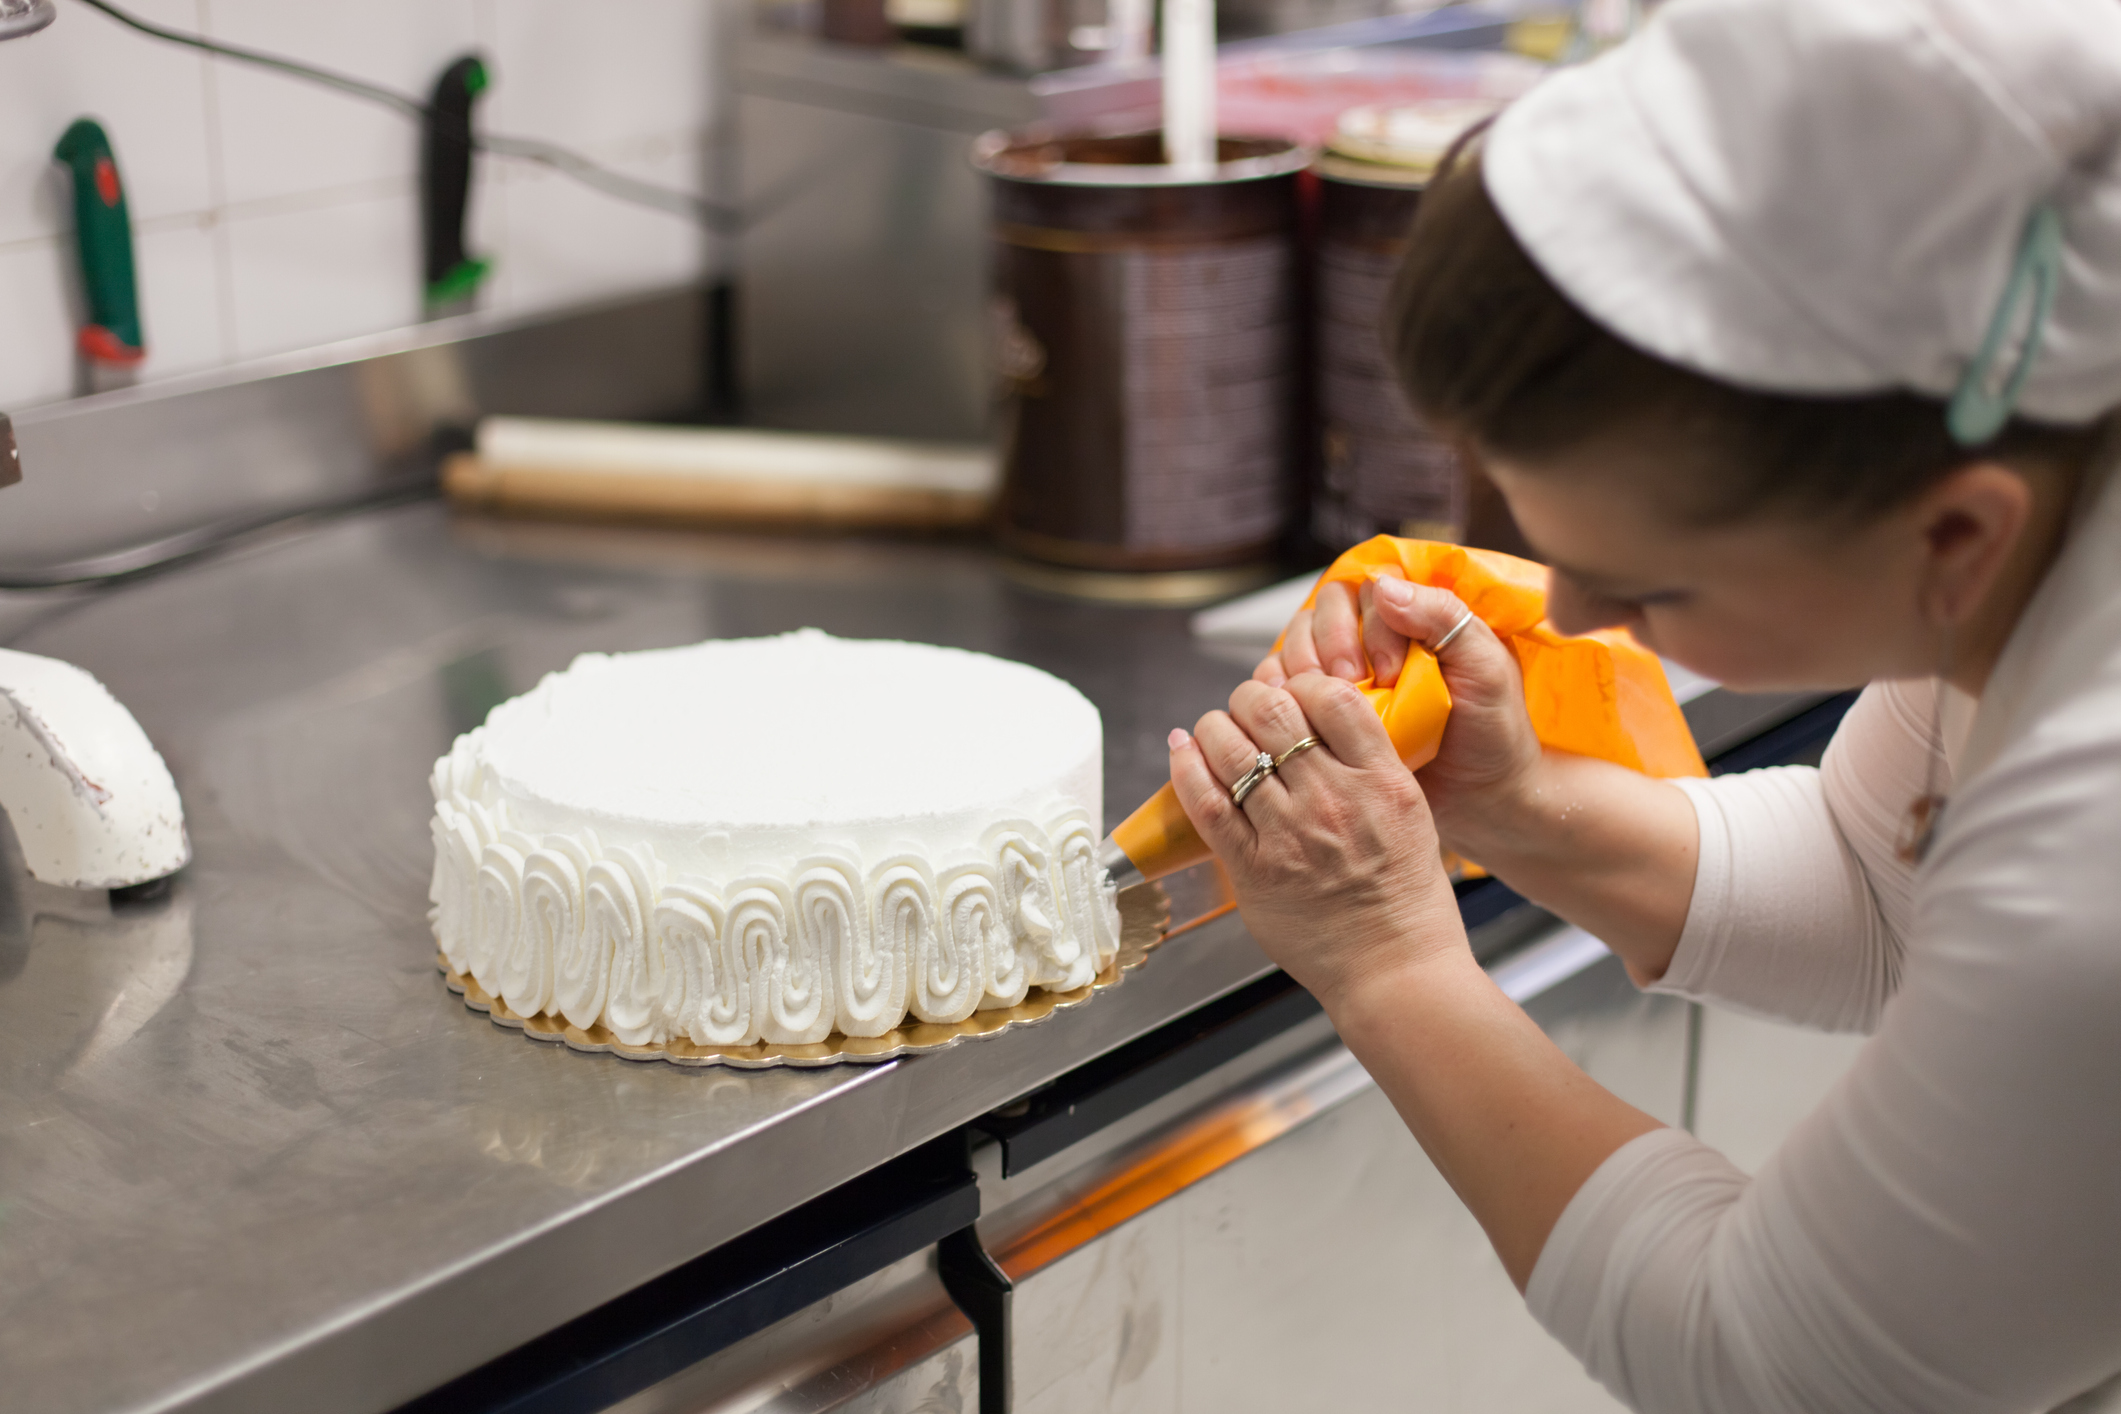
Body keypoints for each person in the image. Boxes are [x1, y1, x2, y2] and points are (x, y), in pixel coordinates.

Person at [1164, 1, 2121, 1409]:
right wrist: (1522, 805)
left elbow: (1785, 1368)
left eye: (1646, 586)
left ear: (1953, 535)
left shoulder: (2096, 845)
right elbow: (1883, 884)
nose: (1580, 618)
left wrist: (1386, 960)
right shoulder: (2036, 455)